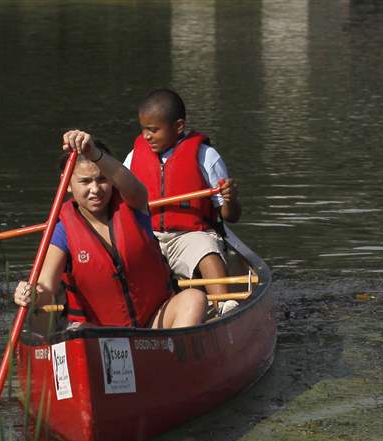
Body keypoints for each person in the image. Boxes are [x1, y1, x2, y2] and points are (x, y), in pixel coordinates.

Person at [13, 130, 207, 330]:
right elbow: (47, 284)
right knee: (77, 330)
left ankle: (172, 357)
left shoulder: (134, 204)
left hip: (155, 324)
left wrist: (95, 153)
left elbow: (133, 186)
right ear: (67, 183)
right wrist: (31, 294)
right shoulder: (62, 231)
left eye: (102, 179)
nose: (95, 189)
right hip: (102, 335)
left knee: (194, 298)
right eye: (85, 182)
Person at [123, 88, 242, 314]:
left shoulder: (206, 156)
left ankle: (224, 307)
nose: (146, 136)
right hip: (149, 236)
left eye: (154, 130)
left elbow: (231, 216)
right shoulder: (133, 156)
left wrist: (230, 199)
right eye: (143, 130)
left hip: (190, 235)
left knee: (207, 252)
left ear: (178, 127)